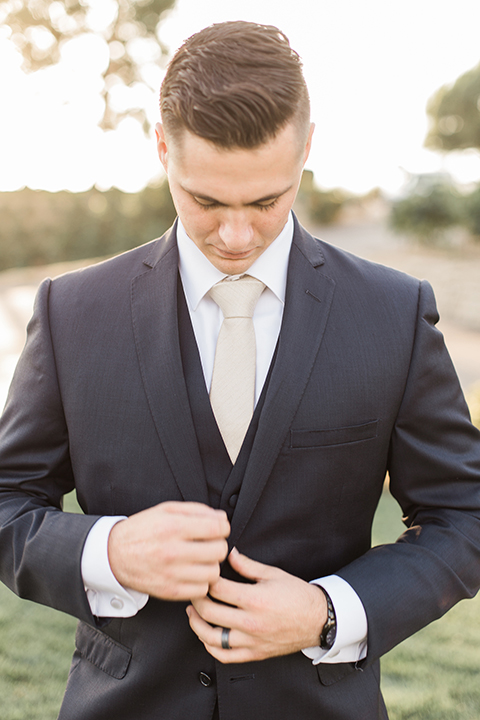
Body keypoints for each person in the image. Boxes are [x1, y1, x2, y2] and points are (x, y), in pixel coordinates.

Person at [0, 20, 480, 720]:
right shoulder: (74, 312)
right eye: (205, 201)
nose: (235, 236)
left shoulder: (393, 314)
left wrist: (328, 611)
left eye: (265, 202)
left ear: (306, 149)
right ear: (163, 149)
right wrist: (107, 551)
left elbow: (463, 516)